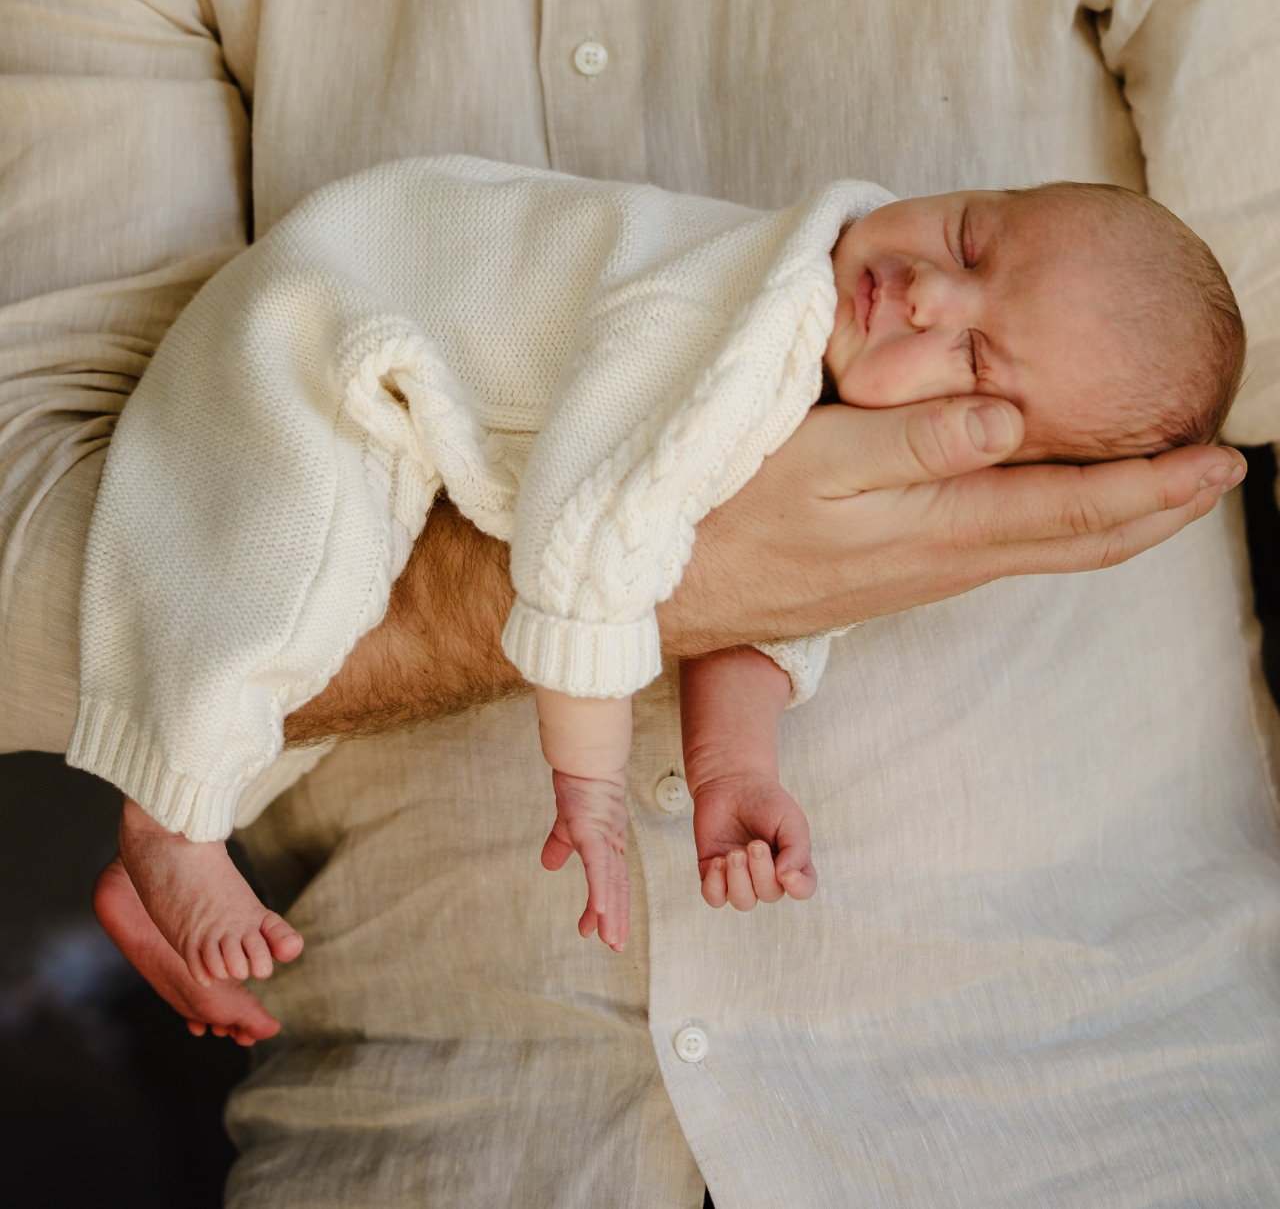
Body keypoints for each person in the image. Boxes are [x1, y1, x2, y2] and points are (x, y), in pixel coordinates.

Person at [0, 0, 1277, 1199]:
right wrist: (656, 564)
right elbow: (27, 596)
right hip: (454, 1138)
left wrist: (229, 646)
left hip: (1104, 1100)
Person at [87, 171, 1245, 995]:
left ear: (996, 446)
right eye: (973, 238)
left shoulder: (821, 372)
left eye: (975, 359)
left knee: (337, 596)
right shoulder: (749, 321)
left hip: (388, 353)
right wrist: (585, 784)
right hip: (324, 324)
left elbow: (763, 587)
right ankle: (169, 821)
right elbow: (588, 546)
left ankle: (188, 798)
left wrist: (731, 766)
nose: (929, 294)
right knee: (298, 571)